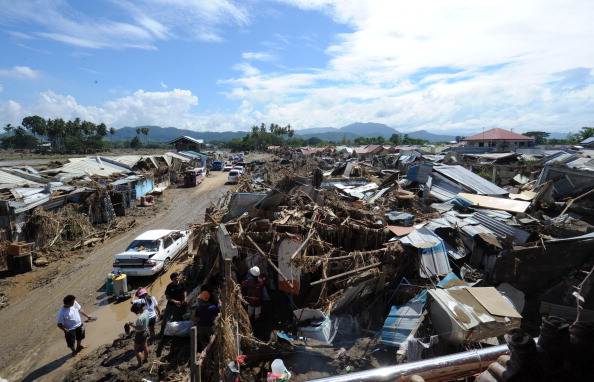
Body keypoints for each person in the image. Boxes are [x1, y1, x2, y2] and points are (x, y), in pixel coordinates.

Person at [159, 272, 187, 336]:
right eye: (175, 279)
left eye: (178, 278)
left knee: (176, 320)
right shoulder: (169, 286)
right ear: (172, 279)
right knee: (165, 320)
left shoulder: (182, 283)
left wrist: (185, 298)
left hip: (179, 305)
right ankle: (161, 332)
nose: (177, 280)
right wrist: (174, 301)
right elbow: (167, 297)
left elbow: (184, 291)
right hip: (170, 305)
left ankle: (173, 333)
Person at [129, 302, 150, 368]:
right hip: (146, 330)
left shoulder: (140, 318)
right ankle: (146, 359)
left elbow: (139, 327)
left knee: (137, 349)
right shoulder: (146, 311)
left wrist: (132, 325)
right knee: (145, 346)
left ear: (138, 310)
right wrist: (136, 323)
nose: (136, 314)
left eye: (135, 312)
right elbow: (142, 323)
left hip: (140, 333)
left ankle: (139, 364)